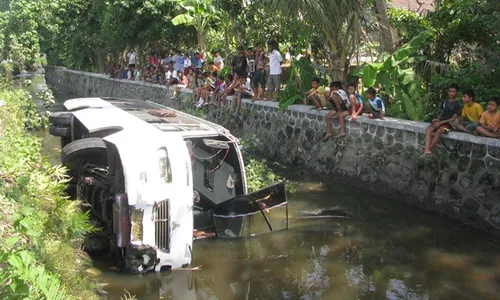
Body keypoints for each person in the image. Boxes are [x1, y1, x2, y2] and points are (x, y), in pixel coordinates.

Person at [422, 84, 462, 157]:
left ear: (457, 93)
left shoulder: (458, 104)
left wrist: (440, 122)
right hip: (441, 121)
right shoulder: (445, 101)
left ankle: (427, 151)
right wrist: (437, 119)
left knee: (439, 131)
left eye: (453, 91)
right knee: (428, 129)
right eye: (450, 91)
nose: (451, 93)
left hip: (449, 124)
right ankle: (426, 150)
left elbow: (453, 118)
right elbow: (442, 112)